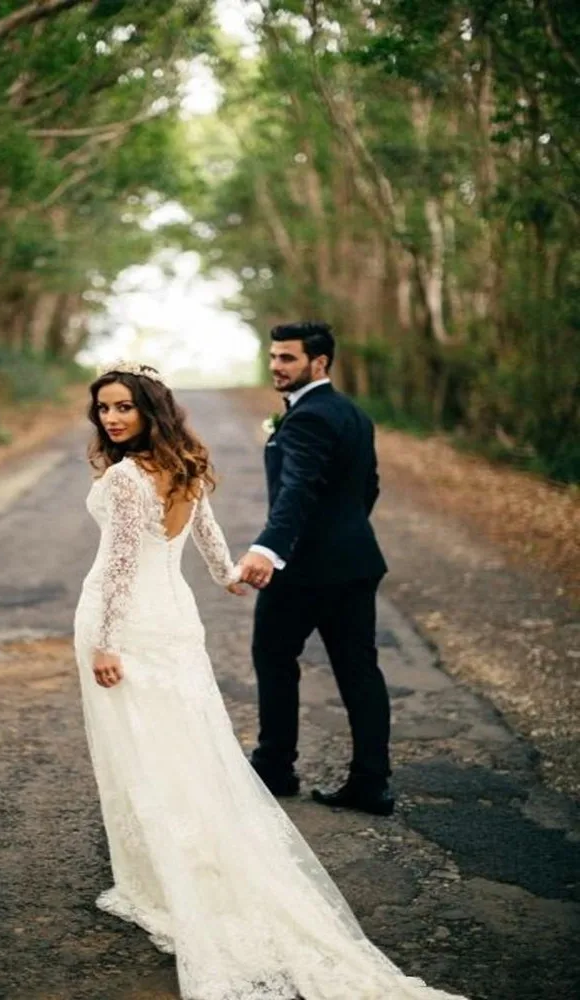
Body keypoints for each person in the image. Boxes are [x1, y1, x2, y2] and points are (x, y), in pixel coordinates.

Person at [73, 360, 468, 1000]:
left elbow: (119, 566)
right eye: (104, 409)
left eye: (123, 407)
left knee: (141, 747)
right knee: (183, 743)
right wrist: (230, 574)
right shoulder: (185, 464)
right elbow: (206, 534)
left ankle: (162, 874)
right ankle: (187, 857)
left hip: (125, 625)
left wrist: (105, 643)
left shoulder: (125, 478)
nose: (112, 418)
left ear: (149, 410)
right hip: (173, 618)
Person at [237, 321, 393, 815]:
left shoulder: (305, 419)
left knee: (273, 656)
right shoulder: (353, 414)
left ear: (318, 363)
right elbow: (367, 487)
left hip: (303, 569)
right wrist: (343, 534)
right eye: (274, 356)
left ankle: (275, 766)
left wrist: (268, 548)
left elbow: (296, 491)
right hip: (354, 562)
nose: (276, 366)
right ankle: (371, 783)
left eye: (287, 358)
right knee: (359, 671)